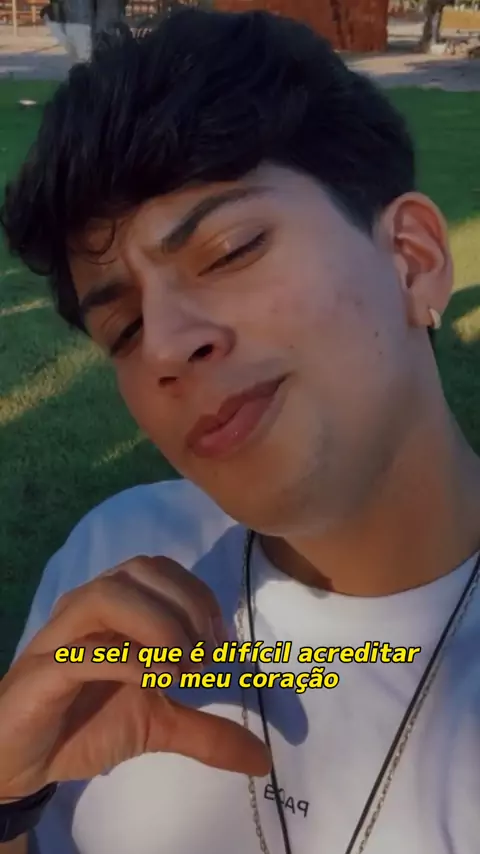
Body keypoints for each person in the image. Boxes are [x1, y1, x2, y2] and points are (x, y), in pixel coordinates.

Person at [1, 8, 480, 854]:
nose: (166, 347)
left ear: (411, 258)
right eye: (124, 330)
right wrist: (9, 796)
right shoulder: (113, 561)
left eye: (229, 251)